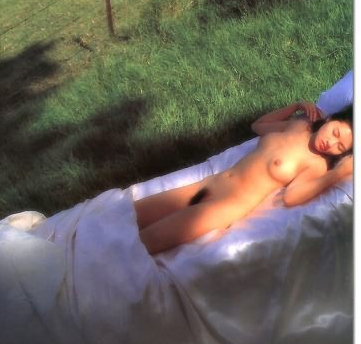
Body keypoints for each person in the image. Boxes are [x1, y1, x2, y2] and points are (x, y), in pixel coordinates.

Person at [134, 101, 353, 255]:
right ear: (329, 119)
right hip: (212, 183)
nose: (331, 143)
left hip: (228, 204)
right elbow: (258, 126)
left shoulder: (317, 164)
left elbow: (292, 197)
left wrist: (338, 173)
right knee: (133, 214)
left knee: (149, 240)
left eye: (340, 147)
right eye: (335, 133)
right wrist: (295, 106)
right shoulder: (298, 125)